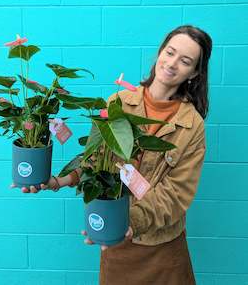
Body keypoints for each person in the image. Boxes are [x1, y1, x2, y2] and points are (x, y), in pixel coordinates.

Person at [19, 25, 212, 285]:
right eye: (170, 52)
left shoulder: (192, 126)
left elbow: (176, 195)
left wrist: (129, 222)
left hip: (162, 250)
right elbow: (95, 162)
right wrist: (57, 182)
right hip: (117, 243)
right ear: (160, 52)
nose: (172, 63)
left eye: (185, 61)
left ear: (194, 73)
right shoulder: (117, 103)